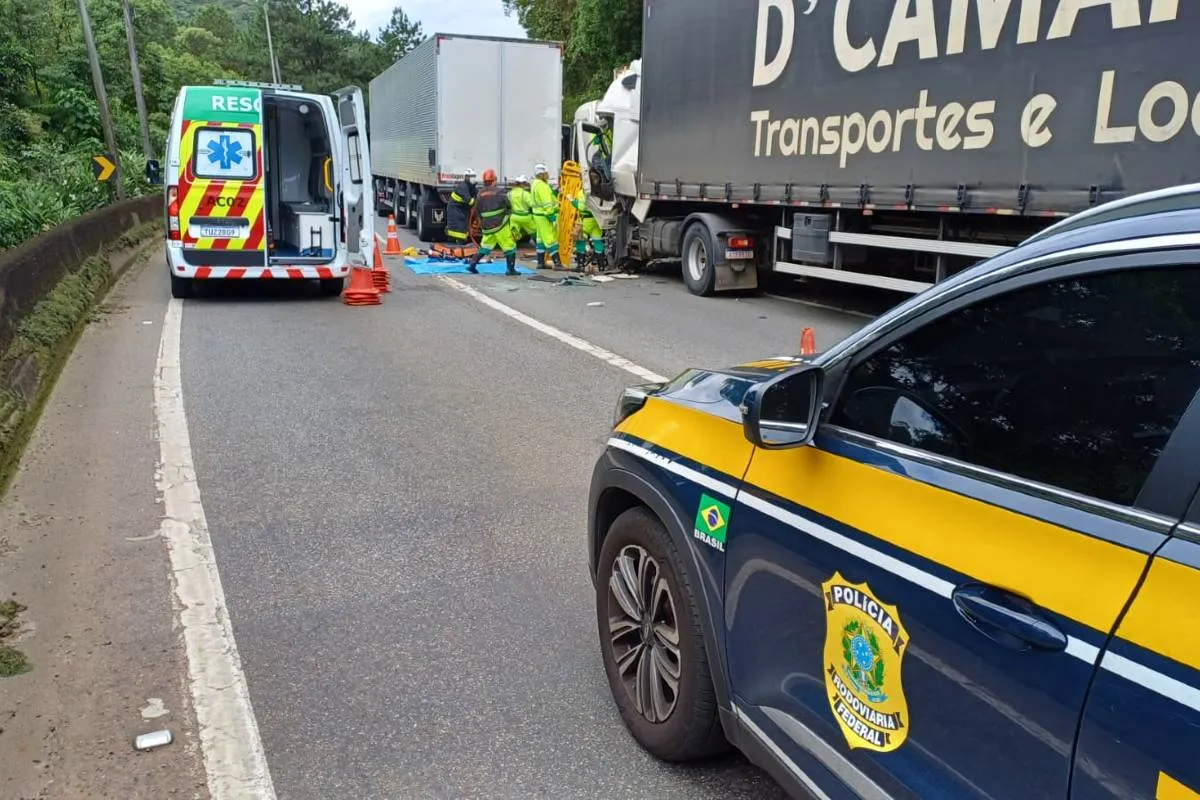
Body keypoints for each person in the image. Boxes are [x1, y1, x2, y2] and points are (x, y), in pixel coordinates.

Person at [466, 169, 519, 276]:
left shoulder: (480, 193)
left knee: (485, 247)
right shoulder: (500, 192)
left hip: (487, 227)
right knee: (510, 246)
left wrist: (480, 222)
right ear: (494, 180)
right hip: (501, 225)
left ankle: (472, 265)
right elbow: (508, 206)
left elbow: (476, 210)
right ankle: (511, 269)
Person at [530, 163, 562, 269]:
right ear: (542, 173)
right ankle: (557, 263)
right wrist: (552, 217)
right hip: (545, 216)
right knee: (550, 239)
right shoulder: (542, 186)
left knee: (540, 240)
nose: (548, 175)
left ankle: (540, 263)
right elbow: (547, 204)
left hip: (538, 215)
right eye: (546, 173)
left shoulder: (535, 184)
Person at [570, 185, 607, 269]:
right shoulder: (598, 191)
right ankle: (601, 266)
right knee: (598, 242)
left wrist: (573, 201)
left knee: (580, 241)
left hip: (586, 221)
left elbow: (582, 207)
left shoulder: (583, 192)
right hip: (596, 220)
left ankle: (580, 265)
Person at [445, 168, 476, 244]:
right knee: (459, 227)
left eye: (473, 176)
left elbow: (476, 194)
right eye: (470, 176)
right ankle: (460, 243)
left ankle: (460, 241)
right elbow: (470, 201)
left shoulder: (470, 186)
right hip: (455, 209)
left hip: (461, 209)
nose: (472, 178)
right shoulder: (462, 187)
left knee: (462, 227)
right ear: (465, 177)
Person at [507, 174, 536, 247]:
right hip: (526, 217)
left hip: (514, 217)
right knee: (534, 232)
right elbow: (532, 204)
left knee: (513, 233)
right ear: (523, 184)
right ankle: (540, 248)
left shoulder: (510, 193)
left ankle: (511, 247)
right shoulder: (525, 194)